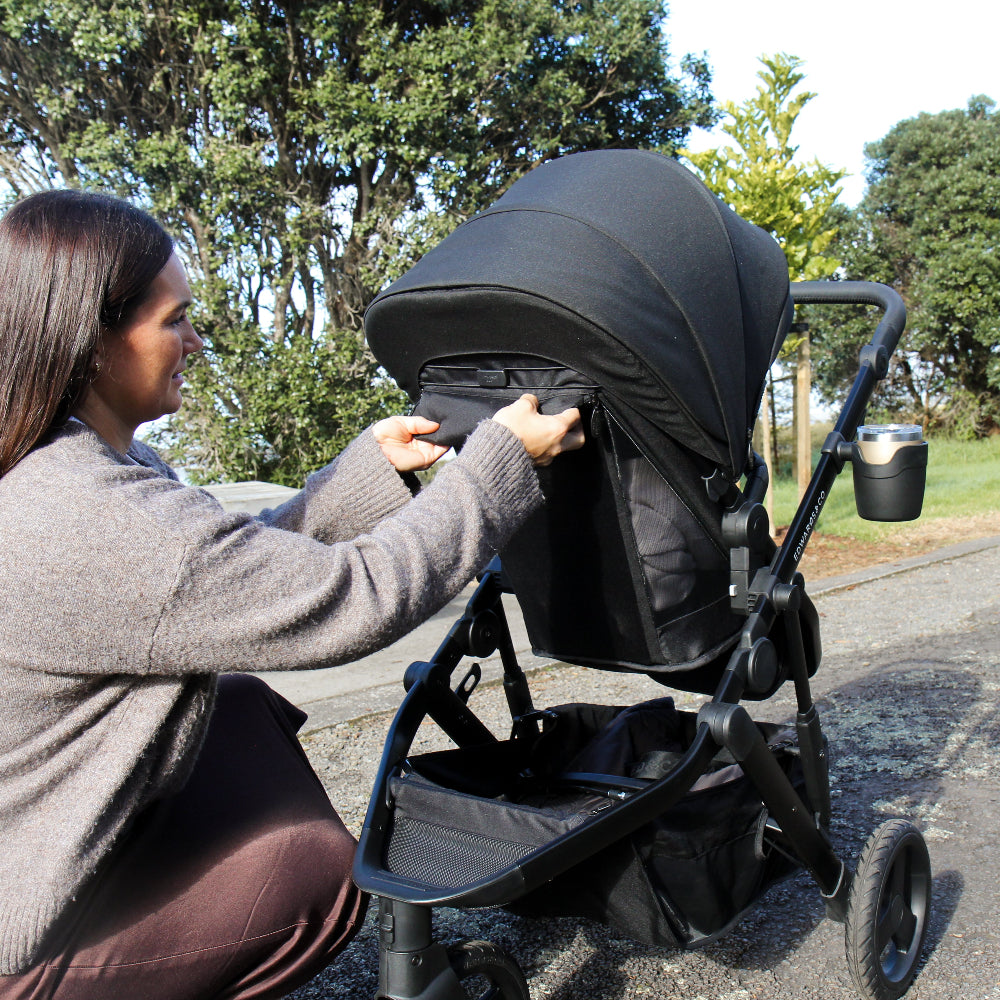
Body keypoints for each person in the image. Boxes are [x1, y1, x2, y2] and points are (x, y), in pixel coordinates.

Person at [0, 189, 584, 999]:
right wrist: (498, 465)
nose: (195, 341)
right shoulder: (90, 513)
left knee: (238, 708)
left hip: (31, 837)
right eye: (173, 320)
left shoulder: (66, 464)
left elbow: (223, 575)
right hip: (20, 941)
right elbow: (354, 599)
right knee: (314, 877)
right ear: (90, 340)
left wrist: (363, 477)